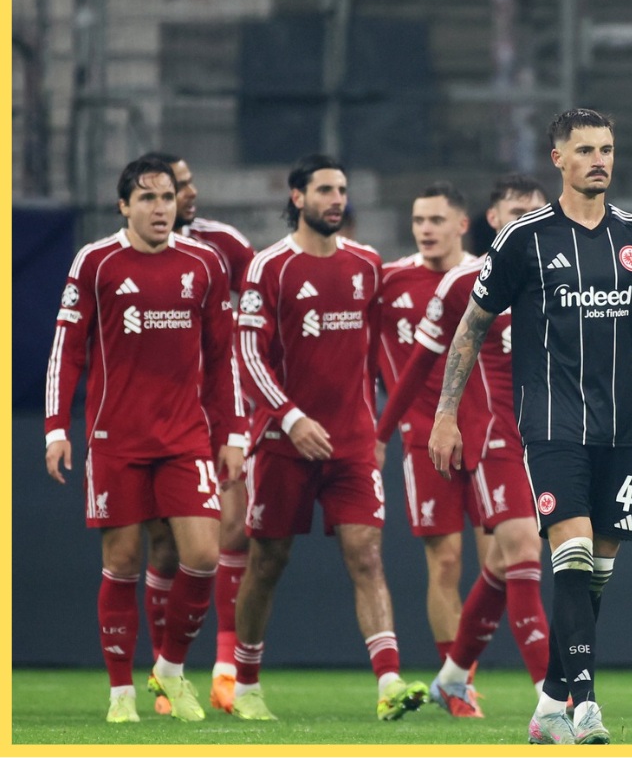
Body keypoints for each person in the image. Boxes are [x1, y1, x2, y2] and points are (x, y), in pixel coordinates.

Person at [428, 109, 632, 745]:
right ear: (558, 159)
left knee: (596, 573)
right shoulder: (523, 238)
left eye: (606, 149)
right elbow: (473, 326)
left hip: (620, 426)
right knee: (574, 555)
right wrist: (446, 412)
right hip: (551, 422)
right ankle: (585, 707)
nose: (599, 160)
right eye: (585, 150)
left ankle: (552, 700)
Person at [44, 155, 244, 723]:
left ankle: (171, 671)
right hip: (115, 438)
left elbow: (223, 356)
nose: (162, 208)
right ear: (124, 205)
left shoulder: (204, 263)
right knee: (123, 561)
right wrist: (57, 427)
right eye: (149, 198)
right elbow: (68, 349)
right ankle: (120, 696)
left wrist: (232, 432)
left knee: (204, 555)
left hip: (185, 436)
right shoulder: (96, 261)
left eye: (168, 197)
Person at [232, 154, 428, 722]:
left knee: (366, 556)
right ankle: (245, 684)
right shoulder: (270, 267)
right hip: (282, 442)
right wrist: (290, 416)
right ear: (298, 198)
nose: (336, 199)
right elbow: (248, 354)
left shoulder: (367, 264)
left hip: (351, 442)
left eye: (341, 190)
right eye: (324, 190)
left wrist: (388, 419)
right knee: (267, 561)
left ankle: (389, 684)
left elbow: (385, 347)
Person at [142, 151, 256, 715]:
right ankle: (167, 670)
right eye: (173, 188)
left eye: (185, 185)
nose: (187, 195)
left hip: (223, 409)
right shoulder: (119, 258)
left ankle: (225, 668)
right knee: (164, 545)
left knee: (232, 531)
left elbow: (255, 319)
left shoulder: (226, 247)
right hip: (163, 414)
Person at [374, 182, 479, 673]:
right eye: (418, 221)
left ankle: (466, 671)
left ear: (461, 224)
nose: (426, 230)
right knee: (446, 561)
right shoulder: (389, 280)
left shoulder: (486, 277)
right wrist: (379, 427)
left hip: (487, 433)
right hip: (421, 438)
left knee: (503, 562)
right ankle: (459, 682)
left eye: (436, 220)